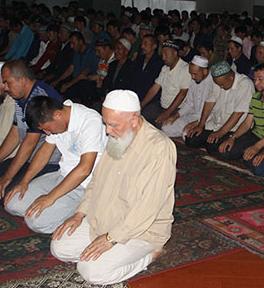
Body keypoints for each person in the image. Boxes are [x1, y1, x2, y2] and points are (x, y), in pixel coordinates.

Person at [50, 90, 176, 285]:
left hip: (140, 230)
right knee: (59, 247)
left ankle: (150, 255)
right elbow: (96, 181)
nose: (107, 131)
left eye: (113, 125)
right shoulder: (118, 136)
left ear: (134, 120)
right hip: (104, 218)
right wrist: (80, 213)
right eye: (105, 123)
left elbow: (148, 207)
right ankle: (103, 254)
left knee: (91, 272)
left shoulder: (159, 148)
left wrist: (111, 238)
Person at [4, 96, 107, 234]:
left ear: (57, 115)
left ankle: (85, 212)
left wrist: (51, 197)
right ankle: (56, 209)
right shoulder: (60, 113)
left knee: (36, 222)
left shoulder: (90, 121)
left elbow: (85, 169)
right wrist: (25, 181)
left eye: (46, 128)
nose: (47, 133)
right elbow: (45, 150)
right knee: (13, 203)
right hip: (62, 175)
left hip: (84, 185)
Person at [0, 60, 62, 204]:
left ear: (23, 81)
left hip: (47, 162)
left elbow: (30, 142)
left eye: (7, 83)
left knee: (6, 195)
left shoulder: (39, 99)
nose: (5, 87)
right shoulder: (20, 98)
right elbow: (15, 133)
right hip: (29, 158)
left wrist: (8, 176)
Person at [184, 61, 254, 152]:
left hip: (233, 130)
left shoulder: (245, 84)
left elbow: (237, 114)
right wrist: (200, 125)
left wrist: (221, 132)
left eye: (222, 84)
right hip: (215, 125)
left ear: (231, 77)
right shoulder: (217, 82)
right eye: (218, 84)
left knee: (218, 148)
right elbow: (209, 103)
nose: (220, 87)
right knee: (190, 140)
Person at [215, 64, 264, 162]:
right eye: (255, 79)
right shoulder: (256, 97)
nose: (256, 83)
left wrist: (257, 146)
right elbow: (247, 123)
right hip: (256, 134)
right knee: (224, 151)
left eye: (260, 79)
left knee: (255, 163)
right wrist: (232, 137)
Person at [141, 40, 192, 128]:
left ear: (175, 53)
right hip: (162, 105)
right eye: (162, 55)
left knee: (160, 124)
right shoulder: (165, 68)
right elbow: (154, 88)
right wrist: (141, 105)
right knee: (143, 114)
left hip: (176, 109)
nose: (163, 58)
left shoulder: (185, 69)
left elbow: (183, 94)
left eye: (166, 54)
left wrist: (167, 112)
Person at [161, 56, 213, 138]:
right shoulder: (194, 81)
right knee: (166, 127)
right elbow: (189, 103)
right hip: (192, 116)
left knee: (187, 135)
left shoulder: (214, 83)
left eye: (194, 74)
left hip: (208, 120)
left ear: (205, 71)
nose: (192, 77)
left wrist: (198, 123)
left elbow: (215, 111)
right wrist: (176, 115)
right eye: (191, 74)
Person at [133, 35, 164, 100]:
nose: (142, 46)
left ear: (154, 46)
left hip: (150, 98)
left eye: (145, 44)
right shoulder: (140, 58)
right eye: (142, 44)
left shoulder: (159, 63)